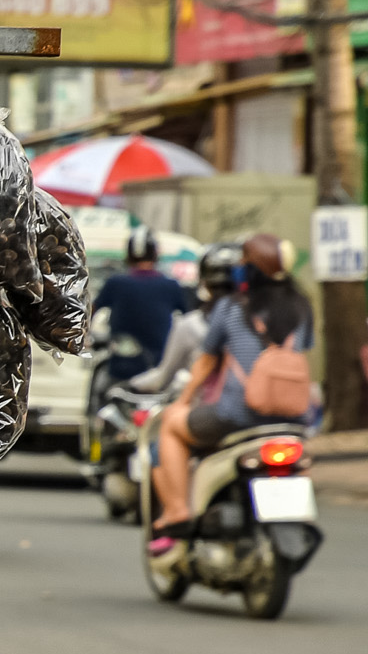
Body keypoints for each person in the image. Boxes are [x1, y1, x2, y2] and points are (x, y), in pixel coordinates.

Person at [148, 232, 314, 551]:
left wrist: (183, 402)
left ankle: (177, 510)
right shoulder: (302, 308)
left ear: (252, 271)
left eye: (243, 263)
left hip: (237, 415)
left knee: (170, 424)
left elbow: (205, 361)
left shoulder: (231, 307)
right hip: (292, 418)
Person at [127, 241, 241, 394]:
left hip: (204, 409)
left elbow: (163, 378)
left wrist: (128, 385)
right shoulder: (257, 321)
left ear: (204, 280)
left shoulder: (191, 325)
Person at [93, 224, 190, 382]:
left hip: (121, 367)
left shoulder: (115, 283)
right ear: (155, 254)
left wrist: (83, 337)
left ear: (129, 254)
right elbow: (190, 318)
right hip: (159, 368)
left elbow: (92, 310)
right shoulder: (171, 286)